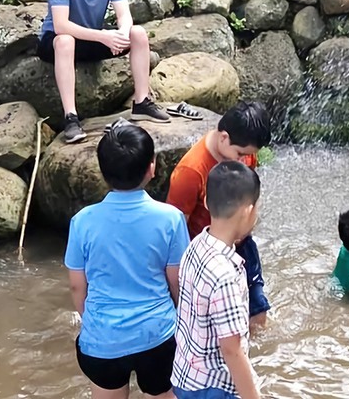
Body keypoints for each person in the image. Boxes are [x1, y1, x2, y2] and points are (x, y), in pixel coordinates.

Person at [66, 119, 190, 399]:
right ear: (152, 167)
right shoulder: (170, 219)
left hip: (102, 340)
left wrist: (95, 322)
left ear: (102, 170)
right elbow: (177, 282)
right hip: (157, 335)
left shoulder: (82, 222)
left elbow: (77, 286)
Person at [38, 0, 201, 144]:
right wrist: (104, 36)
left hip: (92, 37)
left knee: (138, 33)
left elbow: (124, 16)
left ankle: (141, 102)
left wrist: (122, 34)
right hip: (55, 42)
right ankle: (71, 118)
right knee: (65, 41)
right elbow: (61, 25)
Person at [166, 102, 272, 333]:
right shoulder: (191, 171)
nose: (245, 161)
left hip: (241, 244)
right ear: (223, 137)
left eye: (250, 156)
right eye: (241, 154)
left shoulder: (243, 152)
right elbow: (174, 227)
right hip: (207, 253)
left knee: (257, 310)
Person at [172, 161, 262, 399]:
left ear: (205, 201)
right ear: (247, 211)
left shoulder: (196, 245)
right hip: (213, 388)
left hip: (185, 374)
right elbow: (231, 351)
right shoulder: (226, 275)